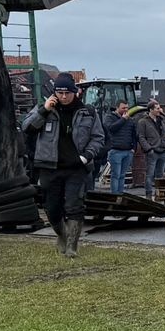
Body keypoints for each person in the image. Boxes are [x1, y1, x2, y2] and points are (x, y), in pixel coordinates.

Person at [21, 74, 106, 257]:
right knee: (52, 208)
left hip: (76, 167)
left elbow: (98, 137)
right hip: (49, 167)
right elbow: (27, 127)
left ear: (75, 92)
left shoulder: (88, 112)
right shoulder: (44, 110)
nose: (63, 96)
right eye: (59, 92)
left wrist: (86, 156)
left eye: (67, 92)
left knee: (74, 206)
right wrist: (43, 110)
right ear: (54, 93)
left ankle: (72, 247)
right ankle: (62, 234)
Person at [103, 100, 137, 194]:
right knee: (116, 175)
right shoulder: (110, 117)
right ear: (117, 108)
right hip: (115, 150)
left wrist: (134, 148)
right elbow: (111, 129)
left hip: (128, 151)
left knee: (122, 175)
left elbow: (134, 134)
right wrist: (123, 119)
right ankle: (114, 194)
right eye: (123, 108)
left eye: (127, 108)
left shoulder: (130, 119)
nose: (126, 110)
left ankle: (120, 194)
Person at [136, 102, 165, 197]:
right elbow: (141, 137)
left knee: (160, 175)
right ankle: (149, 193)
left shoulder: (161, 120)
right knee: (150, 174)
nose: (159, 110)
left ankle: (160, 193)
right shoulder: (143, 121)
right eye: (157, 108)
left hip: (163, 150)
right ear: (151, 110)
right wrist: (148, 149)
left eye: (159, 108)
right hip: (152, 151)